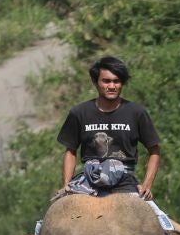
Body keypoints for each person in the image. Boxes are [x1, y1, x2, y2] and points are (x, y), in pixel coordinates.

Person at [57, 56, 161, 199]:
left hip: (125, 183)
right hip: (88, 182)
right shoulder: (79, 112)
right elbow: (71, 151)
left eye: (116, 81)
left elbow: (154, 151)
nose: (111, 86)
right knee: (53, 217)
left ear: (122, 83)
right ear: (95, 82)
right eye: (106, 81)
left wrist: (147, 185)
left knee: (158, 218)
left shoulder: (136, 112)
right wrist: (66, 184)